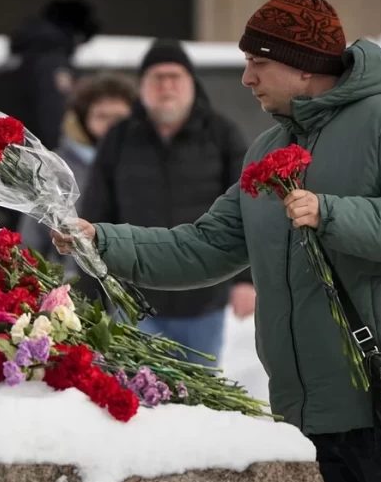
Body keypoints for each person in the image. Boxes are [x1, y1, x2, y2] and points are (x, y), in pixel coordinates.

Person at [51, 0, 381, 482]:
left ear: (304, 64)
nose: (247, 76)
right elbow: (205, 247)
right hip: (308, 413)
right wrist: (101, 240)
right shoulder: (269, 148)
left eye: (259, 61)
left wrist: (331, 212)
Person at [77, 38, 256, 367]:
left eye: (175, 77)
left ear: (192, 83)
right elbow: (95, 213)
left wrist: (247, 280)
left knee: (200, 396)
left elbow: (250, 208)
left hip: (204, 298)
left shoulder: (221, 134)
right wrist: (90, 297)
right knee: (144, 395)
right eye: (157, 78)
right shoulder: (119, 138)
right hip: (136, 299)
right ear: (142, 87)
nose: (167, 86)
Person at [0, 0, 100, 232]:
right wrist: (60, 169)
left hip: (7, 168)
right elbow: (54, 121)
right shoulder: (50, 63)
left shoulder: (16, 60)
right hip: (38, 173)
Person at [18, 71, 137, 278]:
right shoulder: (57, 167)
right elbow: (31, 240)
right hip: (73, 292)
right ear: (83, 119)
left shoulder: (146, 161)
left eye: (118, 117)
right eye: (101, 116)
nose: (110, 125)